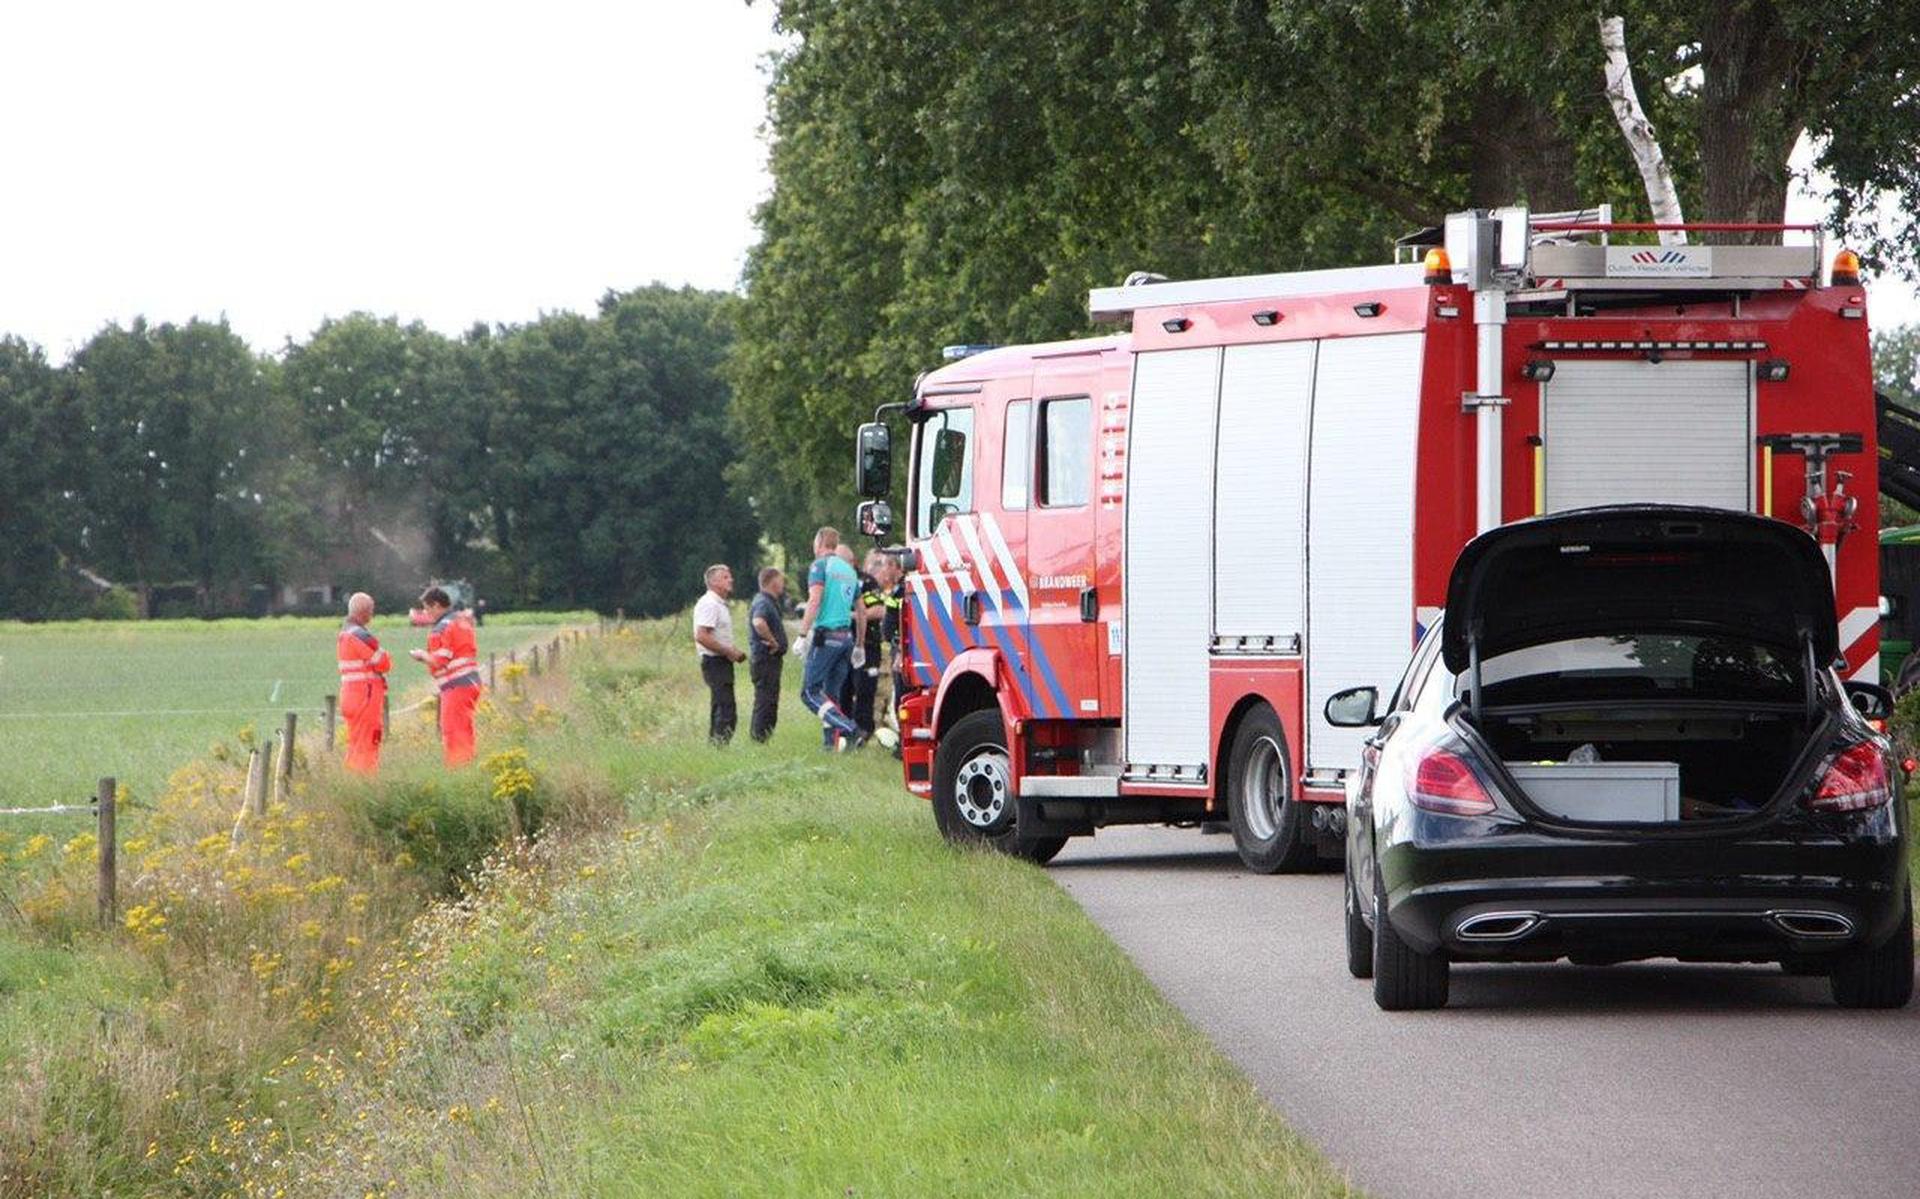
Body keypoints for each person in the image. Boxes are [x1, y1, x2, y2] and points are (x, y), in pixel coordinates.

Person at [798, 527, 865, 750]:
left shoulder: (820, 566)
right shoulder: (848, 570)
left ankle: (849, 728)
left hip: (826, 636)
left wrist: (802, 633)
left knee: (809, 692)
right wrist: (859, 645)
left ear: (818, 543)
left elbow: (815, 599)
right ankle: (830, 745)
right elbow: (862, 611)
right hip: (846, 638)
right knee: (830, 694)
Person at [408, 587, 481, 766]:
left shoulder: (440, 628)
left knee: (453, 732)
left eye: (427, 608)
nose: (425, 613)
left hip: (455, 686)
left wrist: (421, 655)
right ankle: (468, 766)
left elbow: (440, 660)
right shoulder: (461, 621)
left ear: (437, 605)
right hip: (470, 681)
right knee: (465, 730)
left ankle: (458, 770)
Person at [336, 592, 392, 774]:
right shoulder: (360, 635)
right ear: (364, 612)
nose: (372, 615)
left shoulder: (345, 633)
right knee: (368, 743)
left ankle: (352, 784)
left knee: (355, 744)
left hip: (351, 695)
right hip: (365, 697)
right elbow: (384, 662)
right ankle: (364, 784)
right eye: (371, 611)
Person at [693, 563, 746, 744]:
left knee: (721, 706)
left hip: (721, 660)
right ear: (714, 582)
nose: (731, 579)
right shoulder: (710, 604)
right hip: (714, 661)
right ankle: (719, 746)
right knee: (725, 709)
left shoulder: (719, 604)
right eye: (725, 577)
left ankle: (716, 746)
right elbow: (701, 635)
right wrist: (729, 651)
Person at [847, 549, 895, 740]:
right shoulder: (838, 582)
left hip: (871, 645)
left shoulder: (866, 584)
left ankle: (866, 732)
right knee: (847, 690)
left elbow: (880, 610)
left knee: (870, 692)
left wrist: (857, 616)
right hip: (848, 643)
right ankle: (847, 731)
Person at [747, 567, 788, 742]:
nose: (783, 584)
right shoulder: (763, 602)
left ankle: (763, 737)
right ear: (773, 581)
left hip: (770, 661)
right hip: (765, 659)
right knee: (765, 701)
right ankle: (758, 739)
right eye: (781, 580)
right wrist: (773, 641)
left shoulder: (767, 601)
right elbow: (758, 622)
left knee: (770, 700)